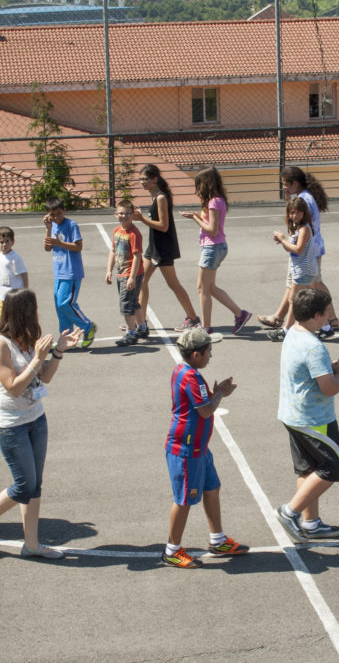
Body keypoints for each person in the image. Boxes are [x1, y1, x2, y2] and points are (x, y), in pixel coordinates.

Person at [0, 290, 82, 559]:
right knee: (23, 484)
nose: (36, 315)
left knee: (34, 485)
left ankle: (31, 543)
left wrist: (57, 352)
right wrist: (37, 357)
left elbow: (43, 378)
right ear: (20, 312)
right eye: (32, 310)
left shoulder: (28, 339)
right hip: (10, 424)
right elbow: (13, 386)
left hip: (35, 419)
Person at [161, 327, 247, 568]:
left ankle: (218, 540)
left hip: (199, 448)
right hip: (187, 451)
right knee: (184, 500)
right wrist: (220, 393)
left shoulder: (184, 370)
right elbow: (206, 410)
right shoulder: (191, 377)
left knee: (212, 488)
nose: (211, 355)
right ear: (196, 354)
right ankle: (172, 550)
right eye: (209, 351)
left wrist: (216, 392)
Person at [275, 288, 339, 542]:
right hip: (314, 420)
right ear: (318, 315)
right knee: (332, 467)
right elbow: (330, 387)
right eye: (327, 314)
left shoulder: (293, 335)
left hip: (292, 415)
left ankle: (311, 523)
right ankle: (290, 512)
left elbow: (309, 372)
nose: (329, 318)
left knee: (308, 470)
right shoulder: (314, 346)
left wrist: (332, 368)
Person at [259, 167, 338, 339]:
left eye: (286, 184)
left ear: (295, 183)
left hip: (304, 257)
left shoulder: (304, 205)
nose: (284, 188)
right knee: (309, 290)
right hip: (307, 256)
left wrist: (283, 239)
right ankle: (325, 324)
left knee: (298, 297)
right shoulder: (304, 199)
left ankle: (286, 328)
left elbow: (298, 244)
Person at [179, 167, 251, 335]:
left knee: (203, 288)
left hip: (212, 247)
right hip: (214, 247)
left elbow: (212, 230)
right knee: (208, 288)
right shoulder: (216, 201)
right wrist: (198, 215)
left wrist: (195, 218)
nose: (197, 190)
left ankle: (206, 326)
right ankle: (240, 314)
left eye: (199, 185)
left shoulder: (213, 202)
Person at [132, 164, 199, 330]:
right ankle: (141, 321)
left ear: (154, 179)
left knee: (173, 284)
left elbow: (163, 226)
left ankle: (193, 319)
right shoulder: (154, 196)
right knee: (141, 282)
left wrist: (141, 219)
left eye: (145, 179)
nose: (142, 183)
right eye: (140, 179)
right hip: (154, 246)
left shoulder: (161, 197)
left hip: (162, 248)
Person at [43, 196, 96, 348]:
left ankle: (88, 326)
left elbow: (78, 246)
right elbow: (47, 247)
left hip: (71, 272)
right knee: (60, 307)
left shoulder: (71, 225)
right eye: (52, 215)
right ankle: (66, 338)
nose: (56, 217)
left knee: (65, 303)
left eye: (58, 213)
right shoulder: (52, 226)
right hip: (58, 272)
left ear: (64, 211)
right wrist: (47, 229)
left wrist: (60, 243)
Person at [267, 197, 317, 342]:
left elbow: (298, 249)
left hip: (303, 270)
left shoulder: (304, 229)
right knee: (306, 300)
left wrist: (283, 240)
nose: (294, 216)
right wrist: (284, 242)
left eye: (298, 213)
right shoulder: (298, 228)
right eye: (292, 213)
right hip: (302, 269)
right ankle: (319, 327)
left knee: (293, 300)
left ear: (304, 213)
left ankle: (286, 330)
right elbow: (292, 248)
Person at [106, 200, 147, 347]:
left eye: (127, 214)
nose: (124, 216)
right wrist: (109, 270)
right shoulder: (117, 231)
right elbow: (113, 251)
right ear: (116, 214)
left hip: (131, 274)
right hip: (122, 272)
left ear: (132, 214)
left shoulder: (134, 233)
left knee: (125, 305)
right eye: (121, 213)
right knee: (133, 302)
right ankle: (142, 327)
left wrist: (131, 277)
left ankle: (131, 333)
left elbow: (137, 256)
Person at [0, 226, 28, 324]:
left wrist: (25, 290)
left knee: (15, 321)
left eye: (7, 241)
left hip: (14, 298)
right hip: (3, 297)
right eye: (1, 242)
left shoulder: (15, 257)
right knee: (0, 321)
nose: (4, 244)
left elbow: (24, 273)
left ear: (12, 242)